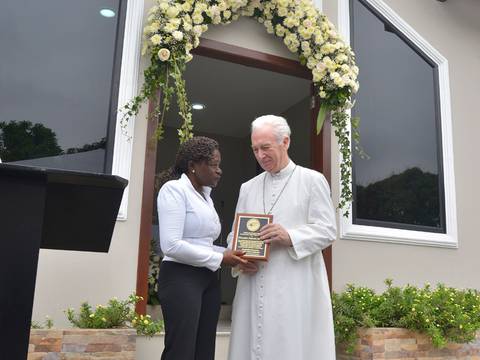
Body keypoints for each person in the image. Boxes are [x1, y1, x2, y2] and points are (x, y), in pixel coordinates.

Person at [227, 115, 337, 360]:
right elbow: (235, 234)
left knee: (290, 344)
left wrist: (290, 236)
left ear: (285, 142)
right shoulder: (248, 187)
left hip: (294, 283)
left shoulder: (312, 180)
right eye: (255, 149)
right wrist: (239, 258)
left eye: (266, 147)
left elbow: (328, 229)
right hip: (252, 283)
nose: (260, 155)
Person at [156, 136, 246, 360]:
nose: (219, 171)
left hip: (208, 279)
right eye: (214, 165)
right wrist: (221, 258)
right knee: (181, 350)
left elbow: (203, 244)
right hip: (181, 278)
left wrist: (229, 254)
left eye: (219, 165)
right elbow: (171, 245)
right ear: (193, 166)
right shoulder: (174, 190)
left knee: (204, 350)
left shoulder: (206, 197)